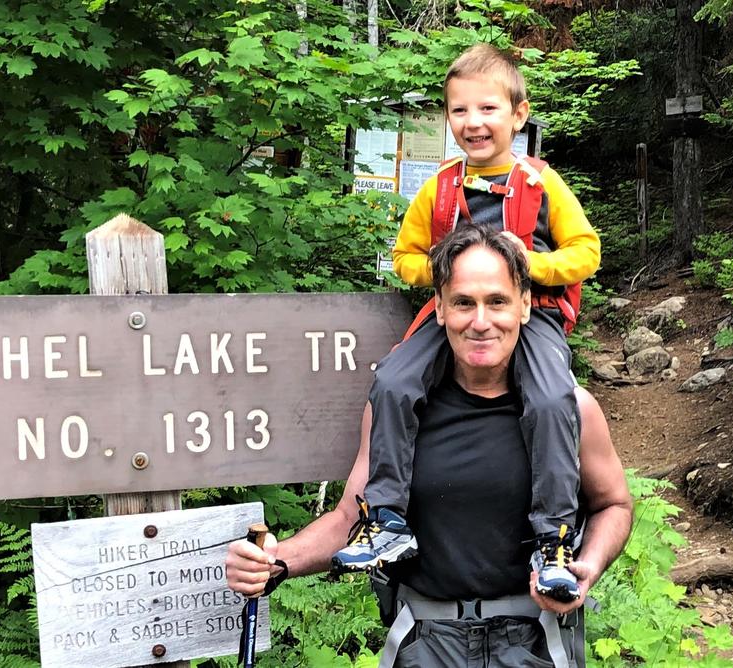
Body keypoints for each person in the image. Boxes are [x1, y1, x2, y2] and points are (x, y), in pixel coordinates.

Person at [226, 227, 631, 667]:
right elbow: (351, 516)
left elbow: (613, 505)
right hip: (426, 642)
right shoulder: (400, 411)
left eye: (497, 301)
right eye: (463, 302)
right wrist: (278, 560)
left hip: (535, 640)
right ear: (439, 308)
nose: (480, 321)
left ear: (525, 305)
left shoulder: (571, 409)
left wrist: (586, 566)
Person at [331, 43, 601, 605]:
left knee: (554, 399)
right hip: (450, 312)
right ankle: (386, 519)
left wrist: (531, 267)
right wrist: (438, 269)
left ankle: (553, 539)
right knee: (393, 382)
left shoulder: (540, 183)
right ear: (447, 117)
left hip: (532, 315)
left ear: (518, 115)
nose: (473, 123)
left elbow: (586, 251)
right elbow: (403, 257)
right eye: (460, 111)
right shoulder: (440, 188)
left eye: (488, 109)